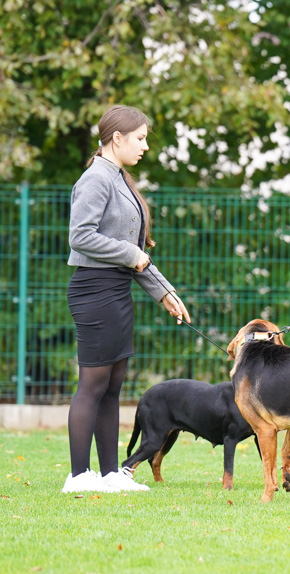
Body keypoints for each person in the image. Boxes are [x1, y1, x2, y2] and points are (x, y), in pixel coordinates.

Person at [63, 105, 191, 493]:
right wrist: (131, 255)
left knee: (113, 385)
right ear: (116, 138)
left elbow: (135, 252)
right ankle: (78, 476)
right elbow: (80, 237)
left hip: (115, 290)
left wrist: (164, 292)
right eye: (140, 138)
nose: (145, 146)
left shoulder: (118, 178)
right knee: (93, 384)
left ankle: (107, 475)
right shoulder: (96, 179)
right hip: (94, 291)